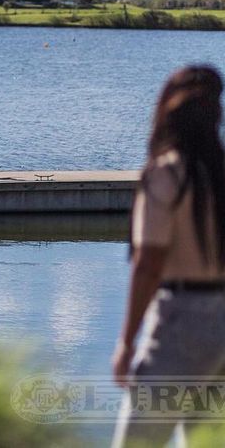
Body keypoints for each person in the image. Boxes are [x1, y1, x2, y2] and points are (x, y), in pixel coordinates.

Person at [112, 66, 225, 447]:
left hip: (182, 322)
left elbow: (148, 265)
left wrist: (126, 342)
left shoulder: (166, 174)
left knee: (138, 441)